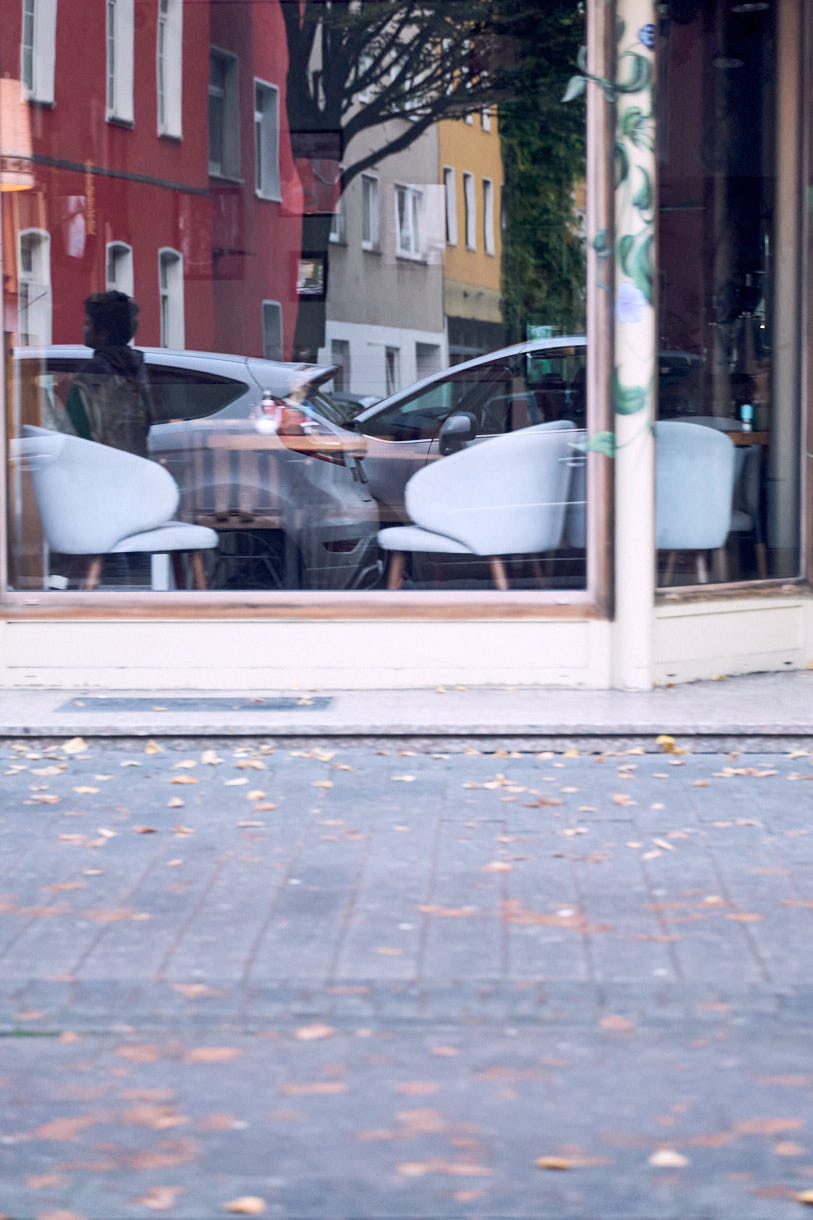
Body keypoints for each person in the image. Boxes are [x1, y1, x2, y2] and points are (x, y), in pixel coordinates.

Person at [66, 291, 153, 458]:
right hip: (136, 462)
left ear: (102, 333)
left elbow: (76, 430)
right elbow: (147, 422)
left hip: (100, 464)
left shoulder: (90, 375)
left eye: (87, 323)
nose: (82, 328)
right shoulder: (138, 369)